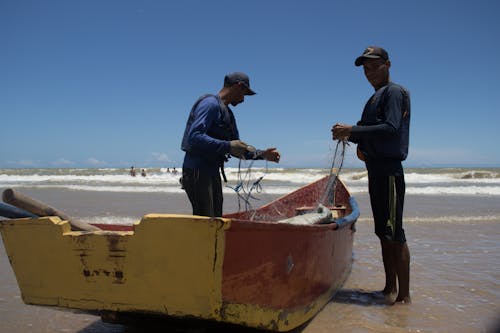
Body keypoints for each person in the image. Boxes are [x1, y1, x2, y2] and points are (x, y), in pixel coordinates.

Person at [332, 46, 411, 304]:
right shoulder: (374, 97)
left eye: (373, 66)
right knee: (383, 232)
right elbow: (369, 131)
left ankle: (404, 296)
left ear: (387, 64)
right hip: (375, 171)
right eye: (365, 68)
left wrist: (352, 129)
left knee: (395, 233)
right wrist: (350, 135)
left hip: (389, 172)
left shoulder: (394, 92)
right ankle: (389, 288)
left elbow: (390, 128)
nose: (369, 72)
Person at [181, 72, 280, 217]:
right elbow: (194, 136)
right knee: (205, 220)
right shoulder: (210, 104)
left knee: (215, 219)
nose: (243, 100)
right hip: (197, 170)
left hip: (212, 172)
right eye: (244, 94)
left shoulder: (228, 115)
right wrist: (227, 146)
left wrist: (263, 154)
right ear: (238, 86)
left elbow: (238, 149)